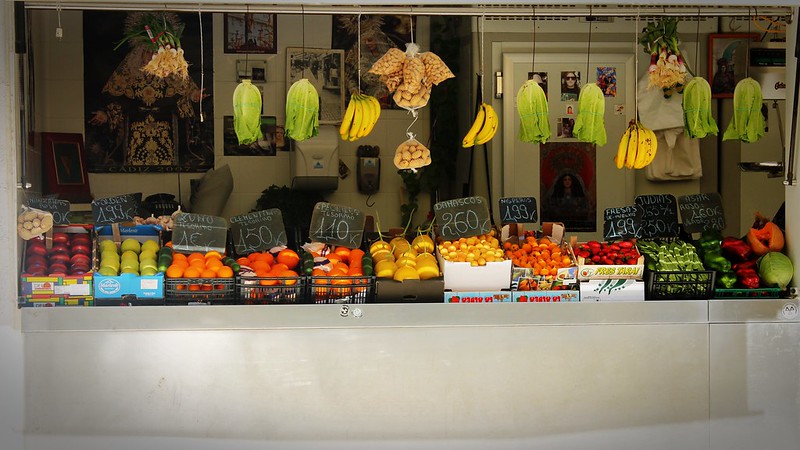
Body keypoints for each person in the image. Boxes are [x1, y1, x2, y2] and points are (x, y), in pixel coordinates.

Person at [86, 12, 209, 170]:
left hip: (167, 128)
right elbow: (116, 100)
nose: (151, 56)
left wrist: (194, 96)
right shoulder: (129, 74)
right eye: (147, 52)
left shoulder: (169, 72)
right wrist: (107, 115)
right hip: (134, 128)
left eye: (154, 53)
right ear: (140, 53)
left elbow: (186, 91)